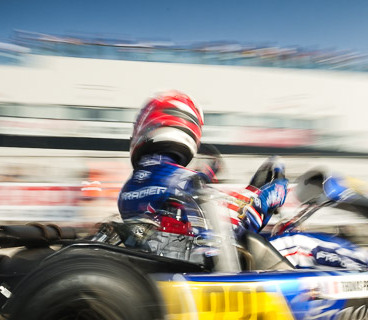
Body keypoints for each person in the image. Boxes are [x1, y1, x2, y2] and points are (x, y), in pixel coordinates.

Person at [117, 91, 288, 251]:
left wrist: (206, 177)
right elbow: (237, 222)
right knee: (300, 244)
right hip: (195, 268)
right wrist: (270, 195)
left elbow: (178, 195)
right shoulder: (182, 181)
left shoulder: (132, 186)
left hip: (164, 258)